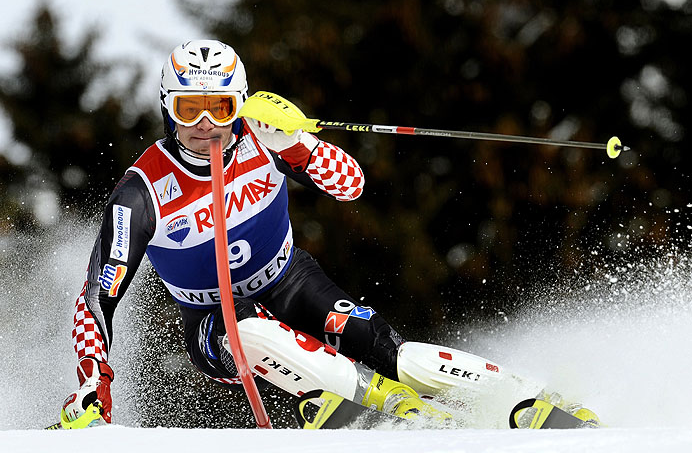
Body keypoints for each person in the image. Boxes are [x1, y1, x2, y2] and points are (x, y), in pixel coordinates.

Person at [61, 40, 596, 429]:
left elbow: (352, 185)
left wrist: (297, 145)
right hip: (213, 320)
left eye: (220, 108)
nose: (205, 125)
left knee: (393, 352)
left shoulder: (262, 138)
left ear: (239, 104)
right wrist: (94, 387)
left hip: (292, 281)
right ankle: (375, 403)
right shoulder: (143, 192)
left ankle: (528, 399)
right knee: (248, 329)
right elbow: (95, 301)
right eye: (188, 109)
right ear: (166, 109)